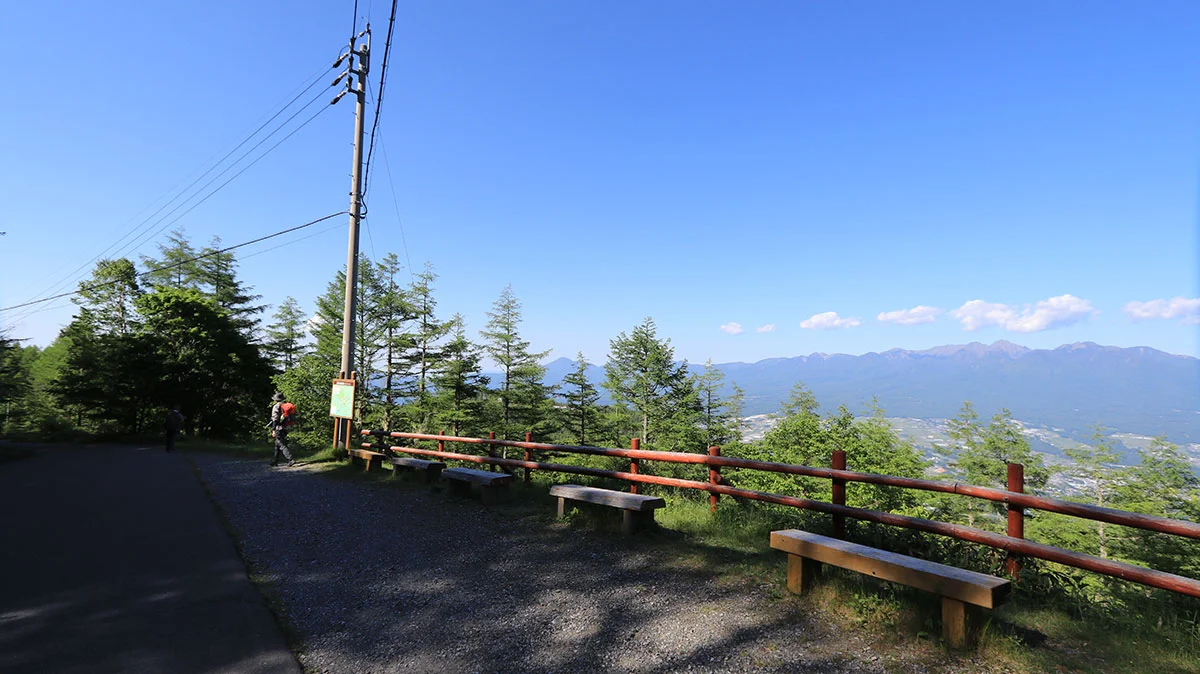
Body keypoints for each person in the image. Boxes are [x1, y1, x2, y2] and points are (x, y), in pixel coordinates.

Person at [268, 392, 295, 467]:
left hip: (278, 428)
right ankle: (275, 461)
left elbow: (275, 419)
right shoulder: (284, 405)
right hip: (285, 427)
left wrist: (273, 430)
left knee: (282, 444)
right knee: (277, 444)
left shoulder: (276, 406)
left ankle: (291, 459)